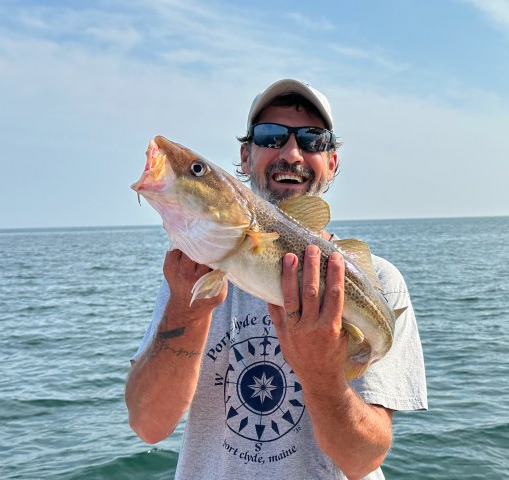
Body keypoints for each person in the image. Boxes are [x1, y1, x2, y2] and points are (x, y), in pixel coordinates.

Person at [125, 79, 427, 480]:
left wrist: (322, 372)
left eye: (313, 139)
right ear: (245, 157)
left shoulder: (380, 283)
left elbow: (363, 460)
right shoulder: (190, 275)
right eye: (271, 137)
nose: (291, 153)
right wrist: (186, 309)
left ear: (332, 162)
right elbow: (149, 425)